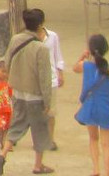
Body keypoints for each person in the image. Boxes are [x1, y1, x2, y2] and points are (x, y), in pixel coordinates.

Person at [0, 8, 52, 176]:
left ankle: (2, 155)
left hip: (18, 92)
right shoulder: (41, 49)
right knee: (39, 130)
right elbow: (45, 78)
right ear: (40, 25)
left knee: (17, 125)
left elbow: (7, 62)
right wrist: (47, 101)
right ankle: (38, 165)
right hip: (35, 95)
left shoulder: (16, 39)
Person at [72, 34, 109, 176]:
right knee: (107, 143)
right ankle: (107, 173)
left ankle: (96, 169)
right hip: (106, 108)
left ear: (90, 50)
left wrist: (82, 56)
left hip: (90, 107)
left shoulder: (85, 66)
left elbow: (74, 68)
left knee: (93, 139)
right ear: (106, 49)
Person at [39, 10, 64, 150]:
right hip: (36, 79)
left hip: (52, 78)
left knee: (51, 112)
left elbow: (57, 55)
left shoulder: (52, 36)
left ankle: (50, 139)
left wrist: (60, 72)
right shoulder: (30, 38)